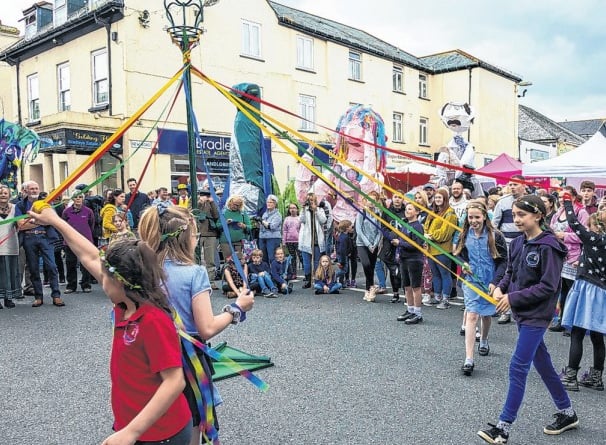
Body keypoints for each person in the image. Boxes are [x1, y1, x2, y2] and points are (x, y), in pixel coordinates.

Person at [29, 206, 194, 445]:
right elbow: (89, 256)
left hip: (160, 434)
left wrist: (132, 432)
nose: (101, 279)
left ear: (119, 281)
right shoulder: (125, 307)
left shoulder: (153, 319)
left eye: (104, 277)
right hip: (135, 426)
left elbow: (174, 381)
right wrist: (55, 221)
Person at [138, 205, 253, 445]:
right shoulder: (194, 273)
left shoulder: (142, 272)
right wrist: (237, 308)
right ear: (186, 238)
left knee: (158, 419)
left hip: (151, 356)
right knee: (194, 421)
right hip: (186, 359)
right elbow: (206, 328)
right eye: (195, 234)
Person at [478, 195, 578, 444]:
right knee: (543, 364)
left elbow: (548, 286)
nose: (517, 219)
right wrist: (500, 287)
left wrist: (512, 298)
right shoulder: (517, 243)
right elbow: (510, 272)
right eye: (514, 214)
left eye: (522, 215)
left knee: (518, 367)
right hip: (523, 312)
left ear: (538, 215)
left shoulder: (549, 247)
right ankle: (567, 412)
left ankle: (503, 427)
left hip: (538, 314)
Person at [453, 200, 507, 376]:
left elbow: (503, 261)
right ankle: (469, 358)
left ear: (484, 216)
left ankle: (484, 339)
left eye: (477, 217)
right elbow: (458, 254)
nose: (474, 221)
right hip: (471, 280)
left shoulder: (495, 236)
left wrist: (495, 282)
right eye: (470, 217)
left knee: (486, 315)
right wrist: (464, 264)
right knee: (472, 315)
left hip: (489, 280)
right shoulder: (464, 234)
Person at [559, 193, 606, 392]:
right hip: (603, 292)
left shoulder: (593, 239)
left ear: (598, 227)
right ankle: (596, 377)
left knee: (577, 333)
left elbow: (573, 222)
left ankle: (571, 376)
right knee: (597, 336)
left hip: (587, 288)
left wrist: (567, 202)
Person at [14, 181, 64, 308]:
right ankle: (38, 297)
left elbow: (51, 220)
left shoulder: (46, 204)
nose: (34, 190)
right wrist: (41, 220)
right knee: (33, 268)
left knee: (52, 266)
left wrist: (32, 221)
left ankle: (56, 295)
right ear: (25, 190)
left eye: (36, 188)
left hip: (45, 238)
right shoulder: (20, 205)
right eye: (31, 188)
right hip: (29, 238)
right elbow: (21, 225)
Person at [548, 186, 588, 333]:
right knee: (563, 291)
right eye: (559, 197)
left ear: (573, 197)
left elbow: (585, 235)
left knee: (573, 291)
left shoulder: (581, 212)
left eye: (565, 197)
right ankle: (562, 321)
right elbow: (551, 229)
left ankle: (573, 324)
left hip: (574, 257)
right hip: (559, 255)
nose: (561, 200)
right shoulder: (558, 212)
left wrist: (564, 235)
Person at [492, 175, 527, 324]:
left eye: (515, 184)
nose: (512, 187)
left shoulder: (530, 201)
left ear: (523, 185)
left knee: (523, 275)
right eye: (510, 184)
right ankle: (504, 311)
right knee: (508, 274)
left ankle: (519, 308)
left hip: (525, 242)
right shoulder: (502, 202)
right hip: (507, 243)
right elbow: (494, 224)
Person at [423, 187, 457, 309]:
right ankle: (437, 297)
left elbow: (445, 233)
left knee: (445, 274)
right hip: (431, 250)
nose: (437, 199)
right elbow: (425, 227)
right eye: (436, 197)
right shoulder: (433, 213)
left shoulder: (450, 213)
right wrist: (425, 234)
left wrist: (431, 236)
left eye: (440, 197)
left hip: (443, 250)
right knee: (435, 274)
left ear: (445, 198)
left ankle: (446, 299)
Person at [393, 203, 425, 324]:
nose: (407, 211)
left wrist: (400, 243)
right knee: (406, 286)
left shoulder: (418, 226)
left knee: (415, 287)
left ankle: (418, 313)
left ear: (417, 212)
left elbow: (417, 245)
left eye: (410, 209)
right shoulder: (406, 224)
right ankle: (410, 309)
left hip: (414, 259)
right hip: (404, 258)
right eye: (406, 209)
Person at [61, 193, 95, 294]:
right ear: (73, 199)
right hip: (70, 242)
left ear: (83, 199)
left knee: (86, 263)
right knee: (70, 263)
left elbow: (91, 224)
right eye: (76, 197)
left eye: (80, 197)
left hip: (85, 241)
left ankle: (86, 285)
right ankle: (71, 286)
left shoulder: (88, 211)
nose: (78, 199)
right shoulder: (66, 211)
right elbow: (63, 225)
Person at [356, 191, 382, 302]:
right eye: (369, 200)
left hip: (374, 244)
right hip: (362, 244)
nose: (371, 202)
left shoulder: (378, 213)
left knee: (371, 267)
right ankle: (371, 286)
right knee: (366, 264)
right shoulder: (361, 212)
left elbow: (379, 230)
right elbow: (359, 230)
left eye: (373, 200)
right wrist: (368, 244)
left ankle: (368, 290)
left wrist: (375, 244)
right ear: (365, 201)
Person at [299, 193, 327, 289]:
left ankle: (317, 279)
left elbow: (323, 220)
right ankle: (308, 280)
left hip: (316, 240)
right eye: (308, 200)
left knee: (316, 262)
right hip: (306, 240)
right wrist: (303, 209)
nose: (310, 202)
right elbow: (301, 220)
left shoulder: (320, 210)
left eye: (312, 200)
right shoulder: (304, 210)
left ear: (315, 201)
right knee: (306, 262)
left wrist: (316, 211)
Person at [0, 184, 20, 308]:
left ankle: (9, 298)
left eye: (5, 193)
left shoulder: (15, 208)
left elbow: (21, 224)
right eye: (0, 193)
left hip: (11, 245)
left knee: (10, 273)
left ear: (9, 195)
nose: (2, 195)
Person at [196, 189, 220, 286]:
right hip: (197, 233)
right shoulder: (194, 201)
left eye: (207, 195)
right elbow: (191, 212)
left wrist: (212, 202)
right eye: (204, 195)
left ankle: (211, 281)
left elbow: (216, 215)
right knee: (195, 259)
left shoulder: (212, 203)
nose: (206, 197)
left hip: (210, 233)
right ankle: (196, 281)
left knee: (210, 260)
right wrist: (199, 203)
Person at [219, 195, 251, 261]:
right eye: (234, 204)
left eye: (238, 205)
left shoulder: (242, 213)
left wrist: (244, 226)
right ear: (230, 202)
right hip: (226, 242)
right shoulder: (223, 212)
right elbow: (217, 225)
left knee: (239, 261)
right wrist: (226, 223)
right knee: (228, 261)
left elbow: (249, 227)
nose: (235, 206)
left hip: (239, 242)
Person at [258, 194, 282, 263]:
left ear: (275, 204)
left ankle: (274, 269)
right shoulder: (265, 213)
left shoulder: (277, 215)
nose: (268, 204)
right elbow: (262, 226)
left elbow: (272, 226)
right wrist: (258, 223)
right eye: (268, 202)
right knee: (263, 257)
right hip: (262, 237)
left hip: (273, 237)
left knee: (272, 257)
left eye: (271, 202)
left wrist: (262, 221)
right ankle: (266, 269)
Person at [282, 203, 301, 280]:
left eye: (294, 208)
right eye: (291, 208)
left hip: (298, 241)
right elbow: (284, 230)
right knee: (292, 258)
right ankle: (294, 273)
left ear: (297, 209)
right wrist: (284, 241)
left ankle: (307, 273)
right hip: (289, 241)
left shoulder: (299, 218)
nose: (292, 209)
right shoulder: (287, 219)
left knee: (301, 256)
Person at [335, 219, 354, 287]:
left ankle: (341, 283)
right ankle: (334, 276)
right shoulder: (344, 237)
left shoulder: (342, 236)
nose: (352, 228)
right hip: (343, 256)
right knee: (344, 270)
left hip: (342, 255)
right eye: (351, 227)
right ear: (347, 228)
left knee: (342, 269)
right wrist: (342, 261)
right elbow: (342, 249)